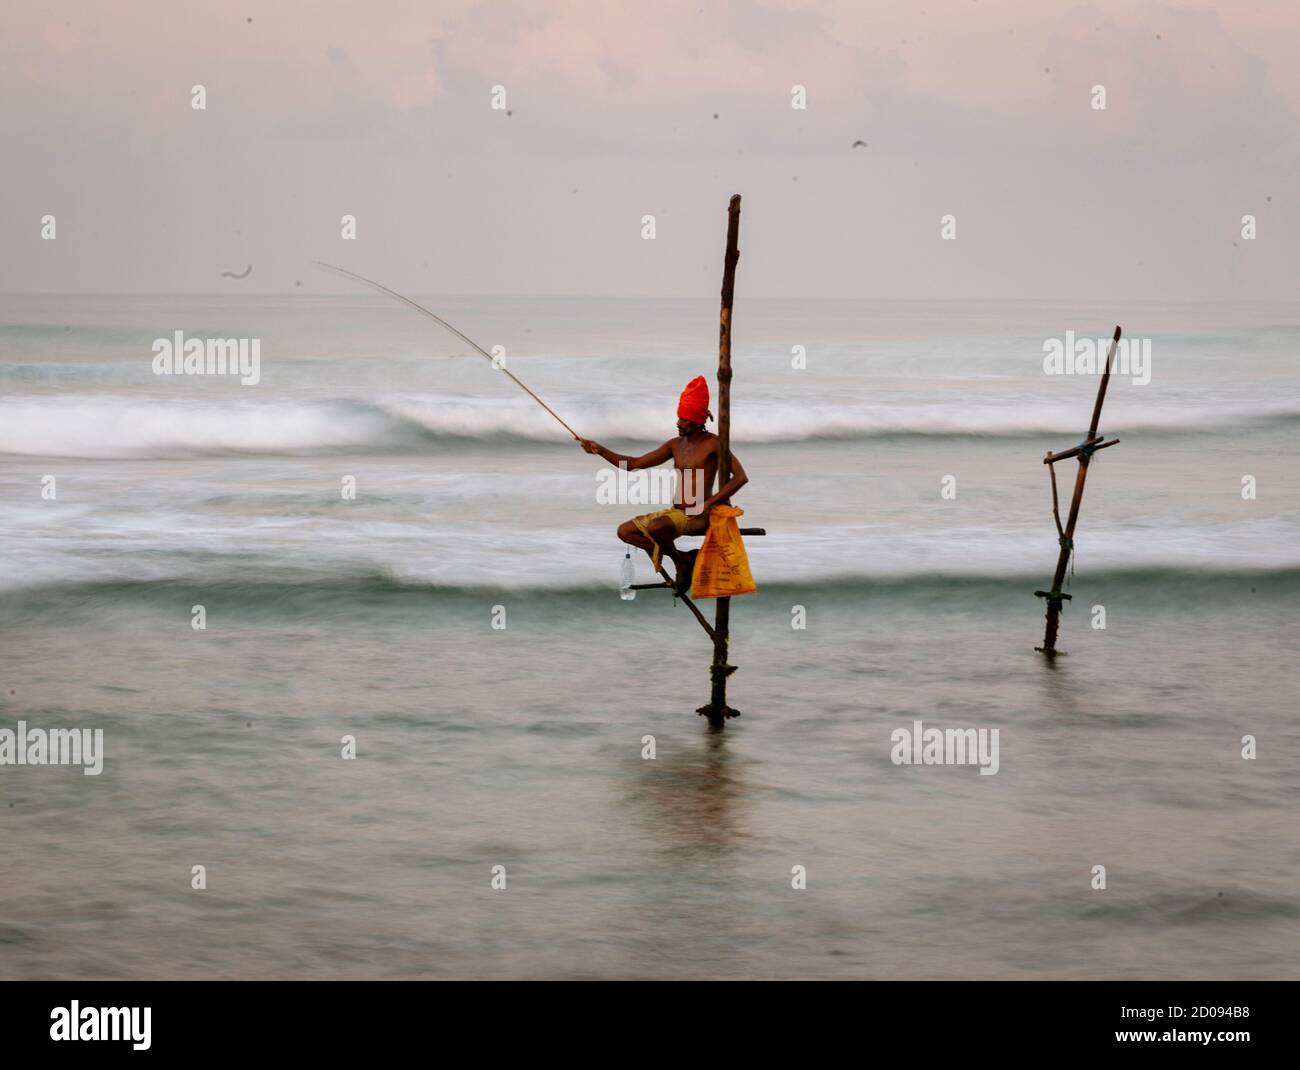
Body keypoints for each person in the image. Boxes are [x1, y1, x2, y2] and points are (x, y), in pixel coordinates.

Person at [580, 375, 748, 595]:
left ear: (698, 421)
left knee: (656, 527)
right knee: (625, 532)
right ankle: (684, 559)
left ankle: (681, 564)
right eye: (678, 418)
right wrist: (600, 451)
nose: (678, 423)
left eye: (684, 419)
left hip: (700, 514)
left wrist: (710, 503)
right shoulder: (675, 445)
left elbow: (740, 477)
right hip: (677, 512)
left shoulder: (713, 444)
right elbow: (634, 464)